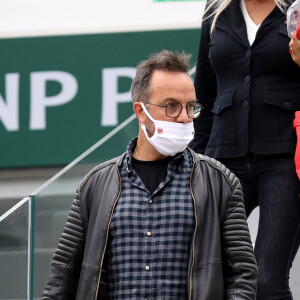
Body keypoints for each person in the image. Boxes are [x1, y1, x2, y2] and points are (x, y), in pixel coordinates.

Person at [42, 50, 257, 300]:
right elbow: (62, 277)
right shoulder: (95, 185)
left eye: (191, 107)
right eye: (172, 106)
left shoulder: (220, 182)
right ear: (141, 111)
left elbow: (242, 275)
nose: (185, 117)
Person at [189, 0, 300, 298]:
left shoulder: (295, 8)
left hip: (285, 160)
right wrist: (191, 159)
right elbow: (205, 93)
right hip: (223, 157)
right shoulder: (215, 11)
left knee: (265, 282)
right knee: (208, 273)